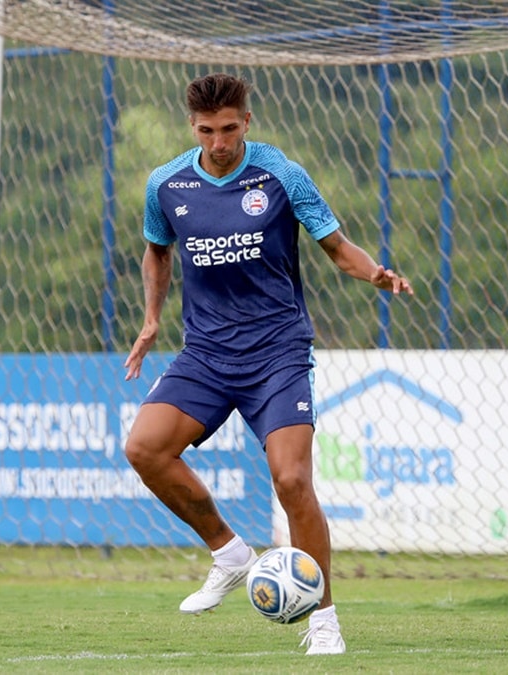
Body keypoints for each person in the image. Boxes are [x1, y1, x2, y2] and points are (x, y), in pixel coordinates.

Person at [123, 73, 412, 656]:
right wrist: (152, 320)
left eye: (230, 129)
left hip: (276, 353)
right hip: (205, 354)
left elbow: (336, 246)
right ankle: (229, 553)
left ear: (246, 122)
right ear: (193, 128)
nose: (220, 141)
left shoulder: (281, 175)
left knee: (292, 479)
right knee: (144, 448)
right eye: (208, 131)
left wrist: (374, 271)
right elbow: (157, 251)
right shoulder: (167, 183)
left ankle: (324, 620)